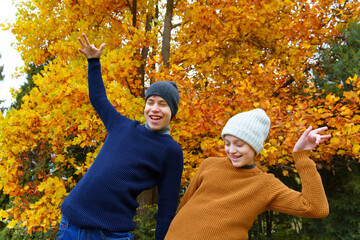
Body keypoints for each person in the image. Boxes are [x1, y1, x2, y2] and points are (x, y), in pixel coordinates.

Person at [58, 33, 184, 240]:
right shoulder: (121, 125)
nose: (155, 109)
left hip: (108, 234)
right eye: (150, 102)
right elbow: (99, 99)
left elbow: (167, 207)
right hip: (70, 225)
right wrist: (93, 62)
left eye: (163, 104)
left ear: (172, 111)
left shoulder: (170, 151)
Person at [165, 108, 331, 240]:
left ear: (255, 147)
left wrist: (301, 156)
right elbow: (185, 205)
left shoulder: (265, 185)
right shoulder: (209, 164)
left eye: (239, 144)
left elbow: (316, 208)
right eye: (227, 143)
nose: (231, 150)